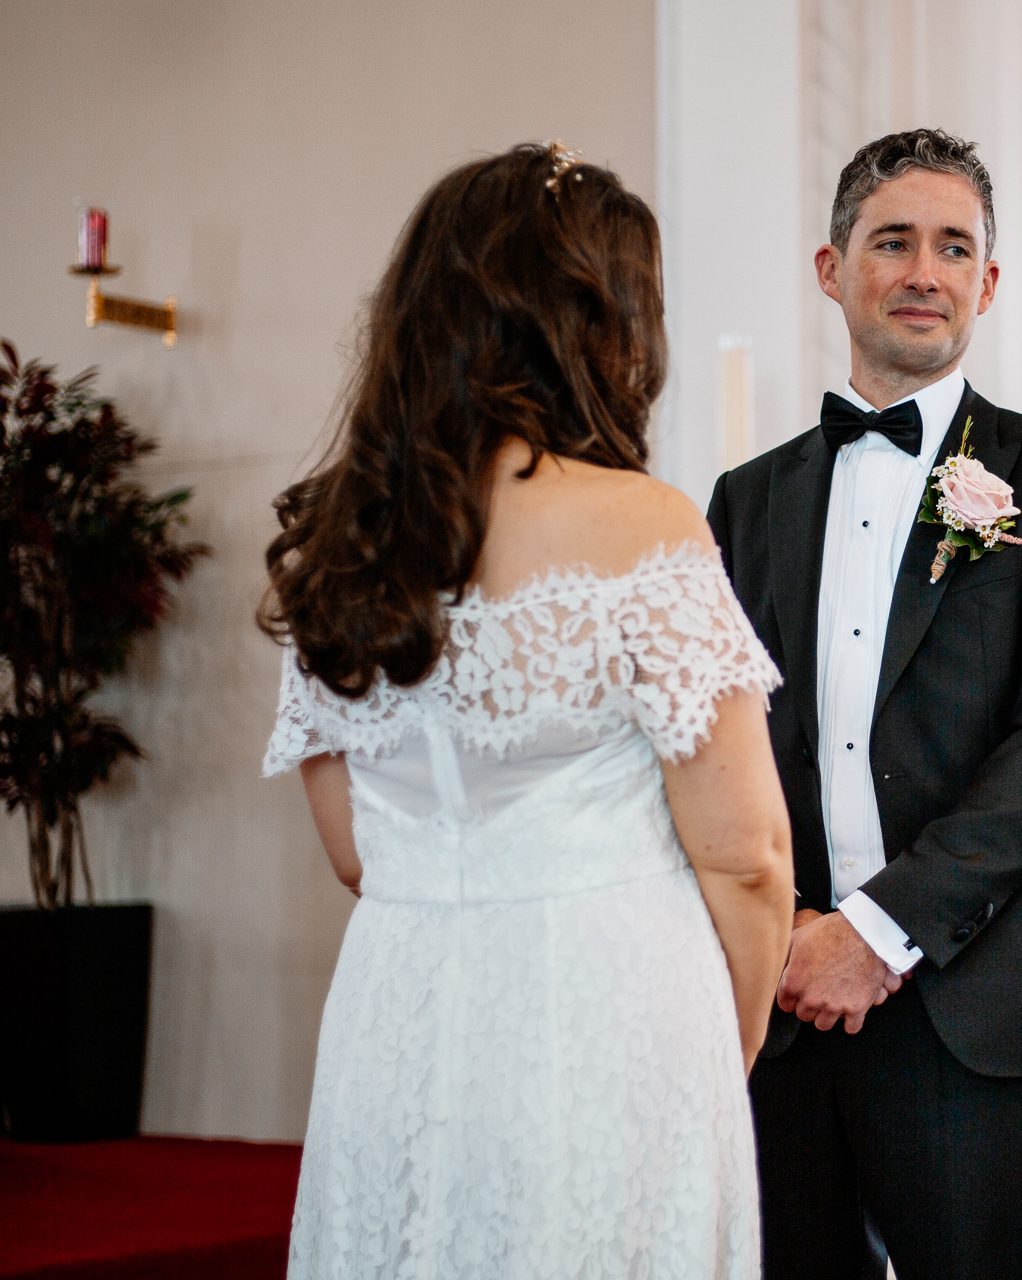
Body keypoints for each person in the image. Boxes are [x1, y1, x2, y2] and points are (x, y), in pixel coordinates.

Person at [259, 143, 794, 1279]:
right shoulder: (644, 526)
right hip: (606, 1014)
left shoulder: (341, 548)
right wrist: (719, 1045)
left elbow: (356, 850)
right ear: (596, 326)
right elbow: (748, 856)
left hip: (395, 1018)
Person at [706, 128, 1022, 1278]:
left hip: (974, 1011)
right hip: (787, 1005)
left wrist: (877, 933)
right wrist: (789, 936)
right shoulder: (744, 501)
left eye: (955, 248)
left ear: (988, 282)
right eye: (892, 241)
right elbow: (722, 741)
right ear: (831, 266)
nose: (923, 272)